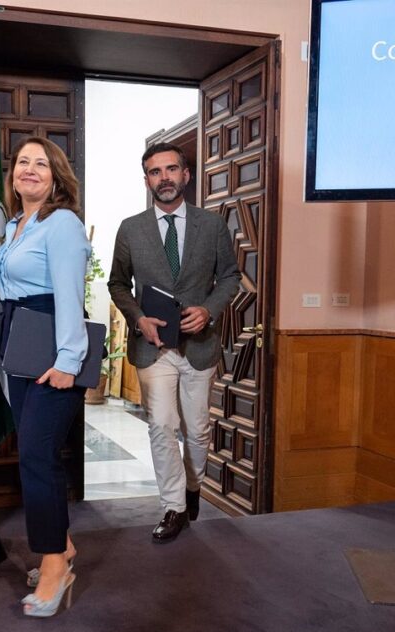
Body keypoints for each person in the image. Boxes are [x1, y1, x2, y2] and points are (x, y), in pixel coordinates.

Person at [107, 142, 240, 542]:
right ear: (147, 179)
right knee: (161, 426)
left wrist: (210, 310)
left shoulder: (212, 225)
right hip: (153, 348)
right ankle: (173, 507)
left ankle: (193, 487)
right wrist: (137, 317)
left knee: (197, 433)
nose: (163, 177)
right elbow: (117, 282)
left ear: (185, 175)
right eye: (154, 171)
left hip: (199, 347)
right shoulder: (131, 228)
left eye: (170, 169)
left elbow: (231, 276)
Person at [0, 136, 90, 617]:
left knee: (36, 454)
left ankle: (54, 565)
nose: (30, 169)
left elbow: (70, 295)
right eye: (22, 162)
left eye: (41, 164)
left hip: (54, 351)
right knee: (34, 452)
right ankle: (64, 544)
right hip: (19, 347)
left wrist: (69, 362)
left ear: (56, 177)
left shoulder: (62, 223)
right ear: (13, 175)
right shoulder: (13, 225)